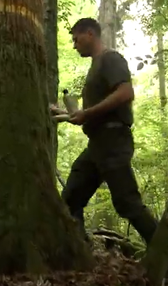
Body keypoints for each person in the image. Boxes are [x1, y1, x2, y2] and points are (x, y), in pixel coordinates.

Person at [58, 17, 160, 250]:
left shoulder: (110, 59)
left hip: (113, 141)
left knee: (128, 203)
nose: (74, 45)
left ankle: (166, 261)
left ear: (90, 34)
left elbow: (125, 93)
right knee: (71, 199)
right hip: (97, 145)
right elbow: (94, 113)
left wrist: (88, 113)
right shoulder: (96, 66)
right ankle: (80, 254)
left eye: (76, 39)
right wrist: (68, 113)